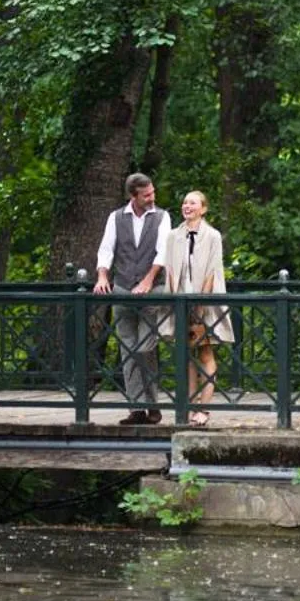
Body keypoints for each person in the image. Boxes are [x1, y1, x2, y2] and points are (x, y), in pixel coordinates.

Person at [93, 172, 170, 424]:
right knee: (127, 348)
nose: (152, 197)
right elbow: (106, 250)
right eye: (147, 194)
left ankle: (153, 405)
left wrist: (148, 281)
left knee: (145, 346)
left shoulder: (162, 217)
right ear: (133, 196)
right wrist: (103, 277)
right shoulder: (116, 218)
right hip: (124, 288)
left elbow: (163, 254)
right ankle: (136, 408)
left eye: (152, 192)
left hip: (153, 290)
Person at [165, 190, 232, 426]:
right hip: (180, 302)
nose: (187, 206)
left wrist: (200, 306)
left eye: (192, 202)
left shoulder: (212, 236)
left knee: (205, 353)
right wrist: (175, 302)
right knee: (184, 356)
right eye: (184, 202)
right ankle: (188, 406)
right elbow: (171, 271)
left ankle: (204, 408)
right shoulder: (173, 236)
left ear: (203, 208)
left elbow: (213, 272)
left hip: (205, 304)